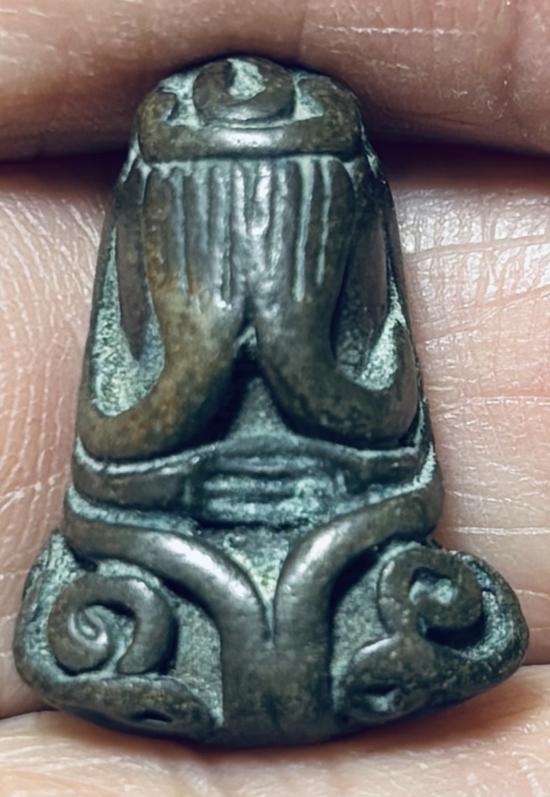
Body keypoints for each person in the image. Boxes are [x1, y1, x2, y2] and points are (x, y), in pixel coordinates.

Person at [0, 1, 549, 793]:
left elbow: (401, 457)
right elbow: (105, 474)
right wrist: (185, 470)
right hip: (164, 555)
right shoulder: (161, 301)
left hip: (340, 541)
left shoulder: (354, 326)